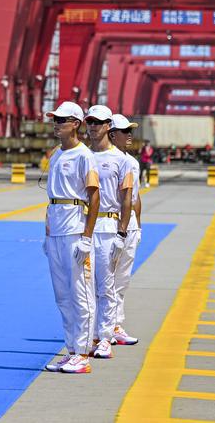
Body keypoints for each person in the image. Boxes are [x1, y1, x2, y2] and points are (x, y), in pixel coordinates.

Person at [41, 102, 100, 375]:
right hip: (56, 231)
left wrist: (87, 236)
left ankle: (84, 354)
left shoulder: (84, 156)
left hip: (75, 229)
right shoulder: (55, 154)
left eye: (62, 119)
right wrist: (47, 233)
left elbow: (94, 196)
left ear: (76, 123)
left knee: (81, 294)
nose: (56, 123)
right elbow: (51, 198)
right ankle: (72, 350)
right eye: (55, 119)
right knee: (62, 295)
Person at [83, 105, 133, 360]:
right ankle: (88, 337)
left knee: (106, 286)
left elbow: (127, 199)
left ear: (108, 127)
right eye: (89, 122)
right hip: (83, 228)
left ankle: (104, 337)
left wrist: (122, 233)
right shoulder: (82, 155)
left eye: (98, 123)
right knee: (85, 287)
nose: (92, 126)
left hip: (107, 227)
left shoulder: (121, 160)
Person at [108, 114, 141, 346]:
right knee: (107, 280)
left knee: (123, 279)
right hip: (111, 226)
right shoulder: (107, 160)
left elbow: (135, 198)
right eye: (124, 131)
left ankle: (115, 325)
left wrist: (138, 226)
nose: (129, 135)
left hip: (130, 227)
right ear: (112, 134)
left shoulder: (133, 162)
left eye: (130, 131)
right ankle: (107, 327)